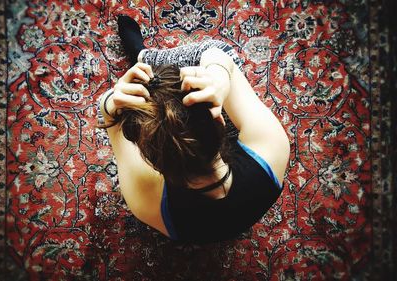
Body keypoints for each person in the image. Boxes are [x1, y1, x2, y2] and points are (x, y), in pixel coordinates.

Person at [98, 15, 290, 243]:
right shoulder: (272, 149)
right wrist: (219, 75)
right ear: (219, 122)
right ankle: (145, 57)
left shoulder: (147, 199)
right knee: (219, 51)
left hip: (186, 228)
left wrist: (113, 99)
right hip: (243, 189)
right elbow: (216, 54)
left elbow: (110, 116)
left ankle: (143, 58)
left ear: (152, 164)